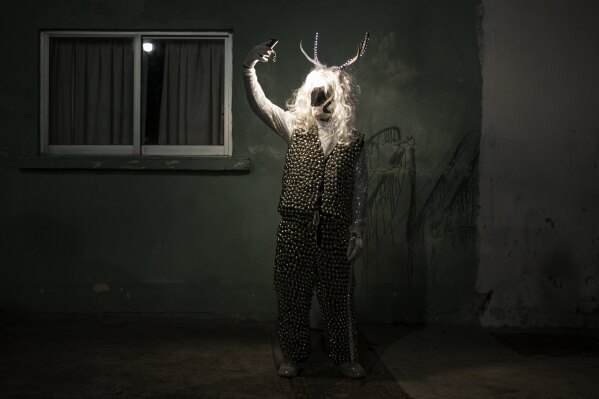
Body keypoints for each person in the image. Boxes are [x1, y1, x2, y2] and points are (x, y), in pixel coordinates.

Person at [242, 33, 369, 379]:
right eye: (315, 94)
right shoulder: (293, 127)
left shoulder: (352, 139)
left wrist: (358, 228)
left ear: (336, 97)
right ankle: (294, 356)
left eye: (325, 95)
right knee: (291, 294)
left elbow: (360, 185)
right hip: (295, 226)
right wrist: (249, 66)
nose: (319, 101)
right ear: (307, 95)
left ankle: (344, 356)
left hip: (334, 228)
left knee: (338, 297)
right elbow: (262, 105)